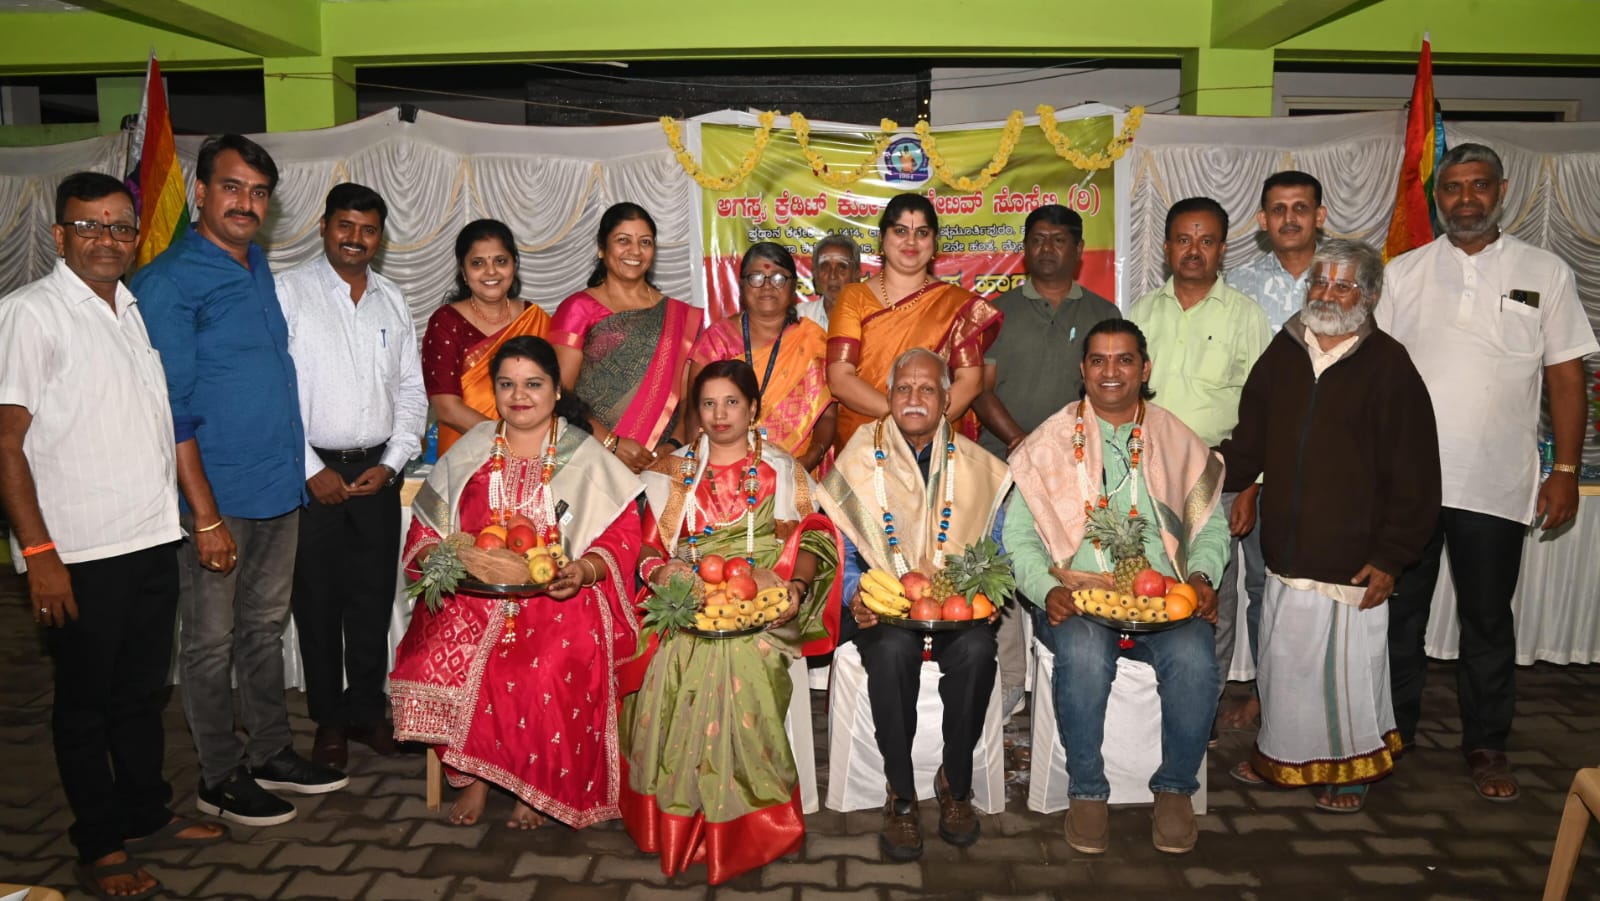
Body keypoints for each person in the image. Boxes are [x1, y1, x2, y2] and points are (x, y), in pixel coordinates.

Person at [0, 172, 226, 900]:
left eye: (120, 227)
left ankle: (145, 812)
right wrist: (40, 553)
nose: (107, 239)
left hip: (149, 539)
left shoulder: (129, 310)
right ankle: (98, 844)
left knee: (138, 694)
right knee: (84, 704)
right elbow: (6, 443)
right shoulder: (29, 314)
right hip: (78, 552)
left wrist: (192, 519)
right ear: (58, 235)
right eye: (89, 226)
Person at [132, 134, 347, 827]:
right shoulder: (169, 282)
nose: (245, 204)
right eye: (232, 188)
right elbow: (170, 411)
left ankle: (271, 751)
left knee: (262, 630)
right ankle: (219, 775)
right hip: (216, 500)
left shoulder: (255, 264)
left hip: (277, 491)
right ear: (200, 192)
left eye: (258, 193)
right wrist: (203, 515)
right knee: (210, 642)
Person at [1378, 142, 1599, 802]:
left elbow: (1566, 377)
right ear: (1436, 197)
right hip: (1409, 484)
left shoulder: (1544, 270)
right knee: (1398, 618)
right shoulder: (1404, 272)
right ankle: (1391, 732)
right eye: (1452, 187)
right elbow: (1374, 375)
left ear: (1501, 191)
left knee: (1487, 620)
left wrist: (1564, 469)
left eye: (1478, 185)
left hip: (1497, 482)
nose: (1466, 198)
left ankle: (1486, 743)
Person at [1220, 239, 1441, 813]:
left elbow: (1416, 473)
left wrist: (1391, 557)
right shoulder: (1286, 349)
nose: (1327, 294)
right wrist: (1194, 468)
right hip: (1288, 551)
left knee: (1345, 674)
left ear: (1370, 296)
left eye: (1344, 286)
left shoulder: (1389, 364)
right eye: (1320, 282)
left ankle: (1349, 769)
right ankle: (1281, 755)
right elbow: (1249, 442)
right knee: (1286, 664)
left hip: (1353, 559)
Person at [391, 336, 644, 830]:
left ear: (556, 391)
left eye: (533, 384)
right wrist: (446, 559)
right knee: (430, 659)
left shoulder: (585, 456)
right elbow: (425, 532)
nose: (519, 395)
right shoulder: (473, 450)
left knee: (540, 669)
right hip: (472, 597)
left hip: (561, 599)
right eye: (507, 384)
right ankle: (476, 777)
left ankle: (533, 784)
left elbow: (621, 538)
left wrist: (583, 572)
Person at [1005, 319, 1225, 855]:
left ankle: (1175, 788)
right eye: (1098, 360)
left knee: (1195, 656)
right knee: (1083, 653)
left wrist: (1202, 576)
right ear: (1082, 370)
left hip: (1164, 597)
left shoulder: (1174, 438)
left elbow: (1211, 526)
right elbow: (1019, 535)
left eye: (1124, 359)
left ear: (1144, 369)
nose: (1111, 371)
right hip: (1077, 597)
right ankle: (1087, 791)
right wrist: (1045, 589)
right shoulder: (1050, 441)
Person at [621, 360, 841, 884]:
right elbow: (645, 549)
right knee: (679, 651)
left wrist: (794, 588)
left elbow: (813, 536)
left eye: (732, 403)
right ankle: (682, 813)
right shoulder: (672, 473)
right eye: (708, 404)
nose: (720, 415)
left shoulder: (782, 471)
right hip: (685, 603)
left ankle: (746, 821)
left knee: (740, 654)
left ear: (752, 409)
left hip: (764, 607)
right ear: (696, 412)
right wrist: (664, 574)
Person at [818, 348, 1012, 862]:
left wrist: (988, 593)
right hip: (884, 608)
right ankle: (901, 796)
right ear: (888, 396)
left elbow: (997, 545)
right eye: (903, 388)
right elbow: (840, 549)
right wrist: (855, 595)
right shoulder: (860, 458)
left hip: (956, 608)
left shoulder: (977, 466)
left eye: (928, 389)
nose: (914, 398)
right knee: (890, 653)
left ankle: (956, 784)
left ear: (947, 400)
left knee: (977, 653)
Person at [277, 183, 428, 769]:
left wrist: (392, 462)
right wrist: (310, 469)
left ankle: (366, 711)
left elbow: (411, 391)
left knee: (371, 597)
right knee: (317, 602)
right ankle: (329, 720)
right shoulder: (290, 292)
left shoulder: (392, 299)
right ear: (323, 227)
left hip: (376, 474)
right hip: (312, 473)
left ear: (380, 237)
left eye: (367, 230)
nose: (355, 238)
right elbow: (274, 391)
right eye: (345, 225)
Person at [1127, 196, 1271, 738]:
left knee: (1216, 595)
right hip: (1153, 474)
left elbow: (1265, 406)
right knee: (1152, 586)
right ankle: (1152, 704)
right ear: (1166, 248)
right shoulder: (1141, 313)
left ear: (1222, 249)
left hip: (1223, 476)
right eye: (1184, 240)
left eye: (1206, 241)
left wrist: (1253, 486)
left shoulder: (1245, 315)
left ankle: (1200, 714)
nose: (1194, 250)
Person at [971, 203, 1120, 716]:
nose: (1047, 248)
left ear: (1078, 251)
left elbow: (1111, 392)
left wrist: (1062, 451)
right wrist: (1022, 442)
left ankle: (1065, 677)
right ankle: (1012, 680)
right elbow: (980, 390)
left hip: (1079, 469)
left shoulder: (1103, 313)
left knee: (1066, 568)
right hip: (1004, 462)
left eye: (1059, 240)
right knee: (1007, 568)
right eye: (1037, 239)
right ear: (1025, 248)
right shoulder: (996, 311)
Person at [1219, 170, 1329, 731]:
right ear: (1262, 221)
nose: (1289, 218)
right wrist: (1251, 476)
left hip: (1327, 464)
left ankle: (1301, 701)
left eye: (1300, 207)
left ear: (1319, 216)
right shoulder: (1236, 287)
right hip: (1256, 458)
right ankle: (1265, 697)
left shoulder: (1343, 280)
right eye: (1278, 209)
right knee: (1259, 586)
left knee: (1299, 588)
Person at [826, 193, 1002, 452]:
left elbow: (970, 381)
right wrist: (904, 418)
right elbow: (840, 378)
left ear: (934, 242)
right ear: (882, 239)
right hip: (867, 443)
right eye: (900, 231)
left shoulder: (956, 304)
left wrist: (925, 425)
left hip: (934, 444)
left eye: (922, 233)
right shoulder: (854, 298)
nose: (911, 241)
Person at [550, 202, 702, 473]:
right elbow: (559, 393)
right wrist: (612, 443)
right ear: (602, 248)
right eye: (623, 240)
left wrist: (673, 445)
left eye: (645, 242)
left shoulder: (679, 315)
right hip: (589, 457)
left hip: (660, 463)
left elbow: (687, 399)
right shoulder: (578, 308)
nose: (635, 251)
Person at [686, 242, 836, 472]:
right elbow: (694, 412)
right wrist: (703, 468)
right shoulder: (717, 340)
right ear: (742, 286)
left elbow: (828, 416)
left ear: (793, 286)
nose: (767, 286)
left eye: (778, 278)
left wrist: (810, 458)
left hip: (798, 469)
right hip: (725, 469)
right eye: (756, 277)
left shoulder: (813, 340)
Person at [421, 218, 552, 457]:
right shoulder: (446, 322)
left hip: (535, 454)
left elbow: (554, 394)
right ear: (463, 271)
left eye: (500, 261)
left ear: (514, 265)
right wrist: (509, 443)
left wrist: (528, 449)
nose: (491, 271)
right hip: (467, 457)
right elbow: (446, 408)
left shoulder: (535, 319)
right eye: (478, 263)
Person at [797, 233, 861, 329]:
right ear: (816, 275)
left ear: (856, 275)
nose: (832, 276)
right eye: (825, 268)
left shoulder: (871, 320)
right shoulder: (799, 316)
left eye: (841, 268)